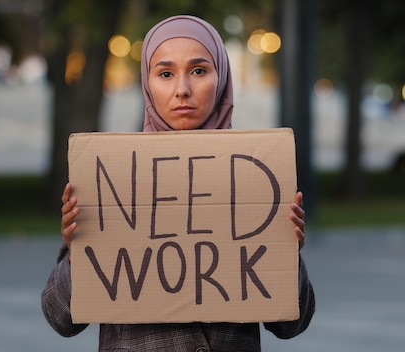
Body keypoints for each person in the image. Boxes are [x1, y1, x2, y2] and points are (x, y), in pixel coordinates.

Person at [41, 15, 315, 351]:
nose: (182, 89)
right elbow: (62, 320)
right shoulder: (115, 179)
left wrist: (284, 250)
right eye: (166, 73)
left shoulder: (254, 176)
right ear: (147, 82)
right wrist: (77, 250)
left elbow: (291, 324)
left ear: (222, 78)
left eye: (199, 70)